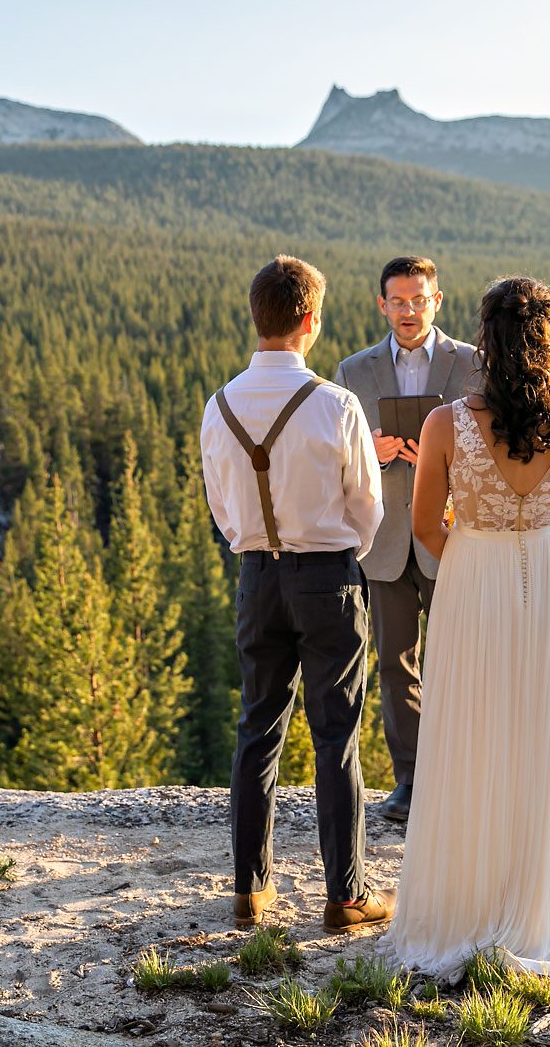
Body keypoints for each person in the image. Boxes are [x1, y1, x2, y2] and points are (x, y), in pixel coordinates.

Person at [383, 275, 550, 977]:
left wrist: (482, 548)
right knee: (547, 735)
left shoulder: (444, 424)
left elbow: (425, 526)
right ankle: (548, 902)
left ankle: (469, 903)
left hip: (470, 581)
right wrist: (541, 558)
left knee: (473, 732)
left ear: (485, 340)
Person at [200, 254, 395, 934]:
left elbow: (222, 509)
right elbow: (368, 506)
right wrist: (340, 555)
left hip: (257, 576)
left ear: (257, 317)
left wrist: (263, 546)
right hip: (327, 577)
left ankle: (250, 890)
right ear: (311, 321)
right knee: (336, 736)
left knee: (258, 728)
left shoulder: (217, 406)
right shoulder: (337, 406)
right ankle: (346, 894)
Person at [333, 256, 481, 822]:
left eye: (419, 299)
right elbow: (338, 459)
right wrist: (369, 453)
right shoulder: (353, 370)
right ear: (382, 305)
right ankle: (412, 783)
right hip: (388, 542)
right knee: (396, 665)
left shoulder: (473, 364)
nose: (408, 311)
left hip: (453, 537)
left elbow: (490, 453)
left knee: (459, 661)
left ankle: (461, 778)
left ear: (437, 301)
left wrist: (443, 460)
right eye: (398, 301)